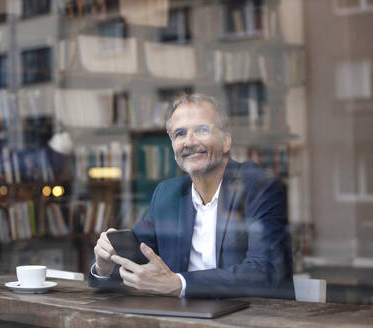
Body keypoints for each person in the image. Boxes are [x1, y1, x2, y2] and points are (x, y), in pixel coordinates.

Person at [88, 93, 294, 299]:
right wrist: (104, 265)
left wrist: (179, 284)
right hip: (184, 317)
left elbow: (265, 272)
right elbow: (136, 262)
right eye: (180, 134)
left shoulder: (260, 187)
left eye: (202, 130)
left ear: (226, 142)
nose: (189, 142)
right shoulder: (167, 195)